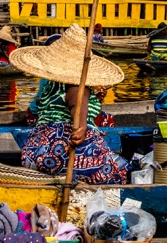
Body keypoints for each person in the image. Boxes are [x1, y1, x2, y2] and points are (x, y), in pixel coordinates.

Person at [13, 25, 130, 183]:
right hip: (61, 152)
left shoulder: (51, 84)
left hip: (34, 151)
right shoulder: (78, 84)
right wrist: (81, 127)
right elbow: (77, 102)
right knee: (123, 168)